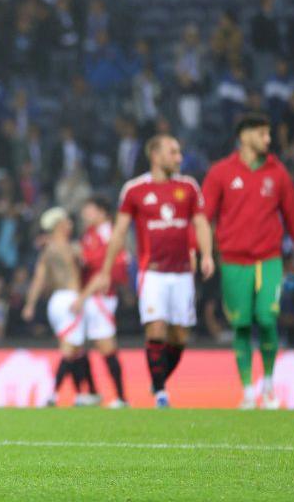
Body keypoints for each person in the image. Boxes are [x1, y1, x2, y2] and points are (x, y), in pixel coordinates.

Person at [201, 114, 294, 409]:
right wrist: (201, 251)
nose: (268, 140)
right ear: (244, 136)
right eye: (262, 134)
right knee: (241, 326)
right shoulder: (220, 173)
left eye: (269, 134)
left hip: (268, 260)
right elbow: (203, 218)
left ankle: (268, 384)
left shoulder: (277, 173)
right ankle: (247, 390)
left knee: (267, 319)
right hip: (233, 261)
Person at [87, 136, 214, 408]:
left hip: (182, 272)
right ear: (155, 155)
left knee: (179, 335)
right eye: (173, 152)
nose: (179, 158)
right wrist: (106, 271)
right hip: (152, 272)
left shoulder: (188, 187)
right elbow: (120, 232)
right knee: (156, 328)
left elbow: (201, 223)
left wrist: (206, 255)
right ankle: (160, 392)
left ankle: (158, 378)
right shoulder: (135, 190)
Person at [22, 208, 97, 407]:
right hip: (70, 300)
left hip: (55, 302)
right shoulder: (70, 247)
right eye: (67, 222)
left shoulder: (47, 250)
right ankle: (53, 394)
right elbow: (90, 261)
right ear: (59, 225)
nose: (70, 225)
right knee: (69, 349)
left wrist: (30, 304)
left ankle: (83, 393)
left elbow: (39, 279)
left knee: (76, 349)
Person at [72, 197, 131, 408]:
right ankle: (93, 393)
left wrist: (82, 297)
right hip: (90, 295)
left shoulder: (108, 233)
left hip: (100, 297)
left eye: (89, 209)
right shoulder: (89, 234)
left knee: (105, 345)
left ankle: (122, 397)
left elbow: (106, 273)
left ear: (102, 212)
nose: (85, 214)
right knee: (79, 344)